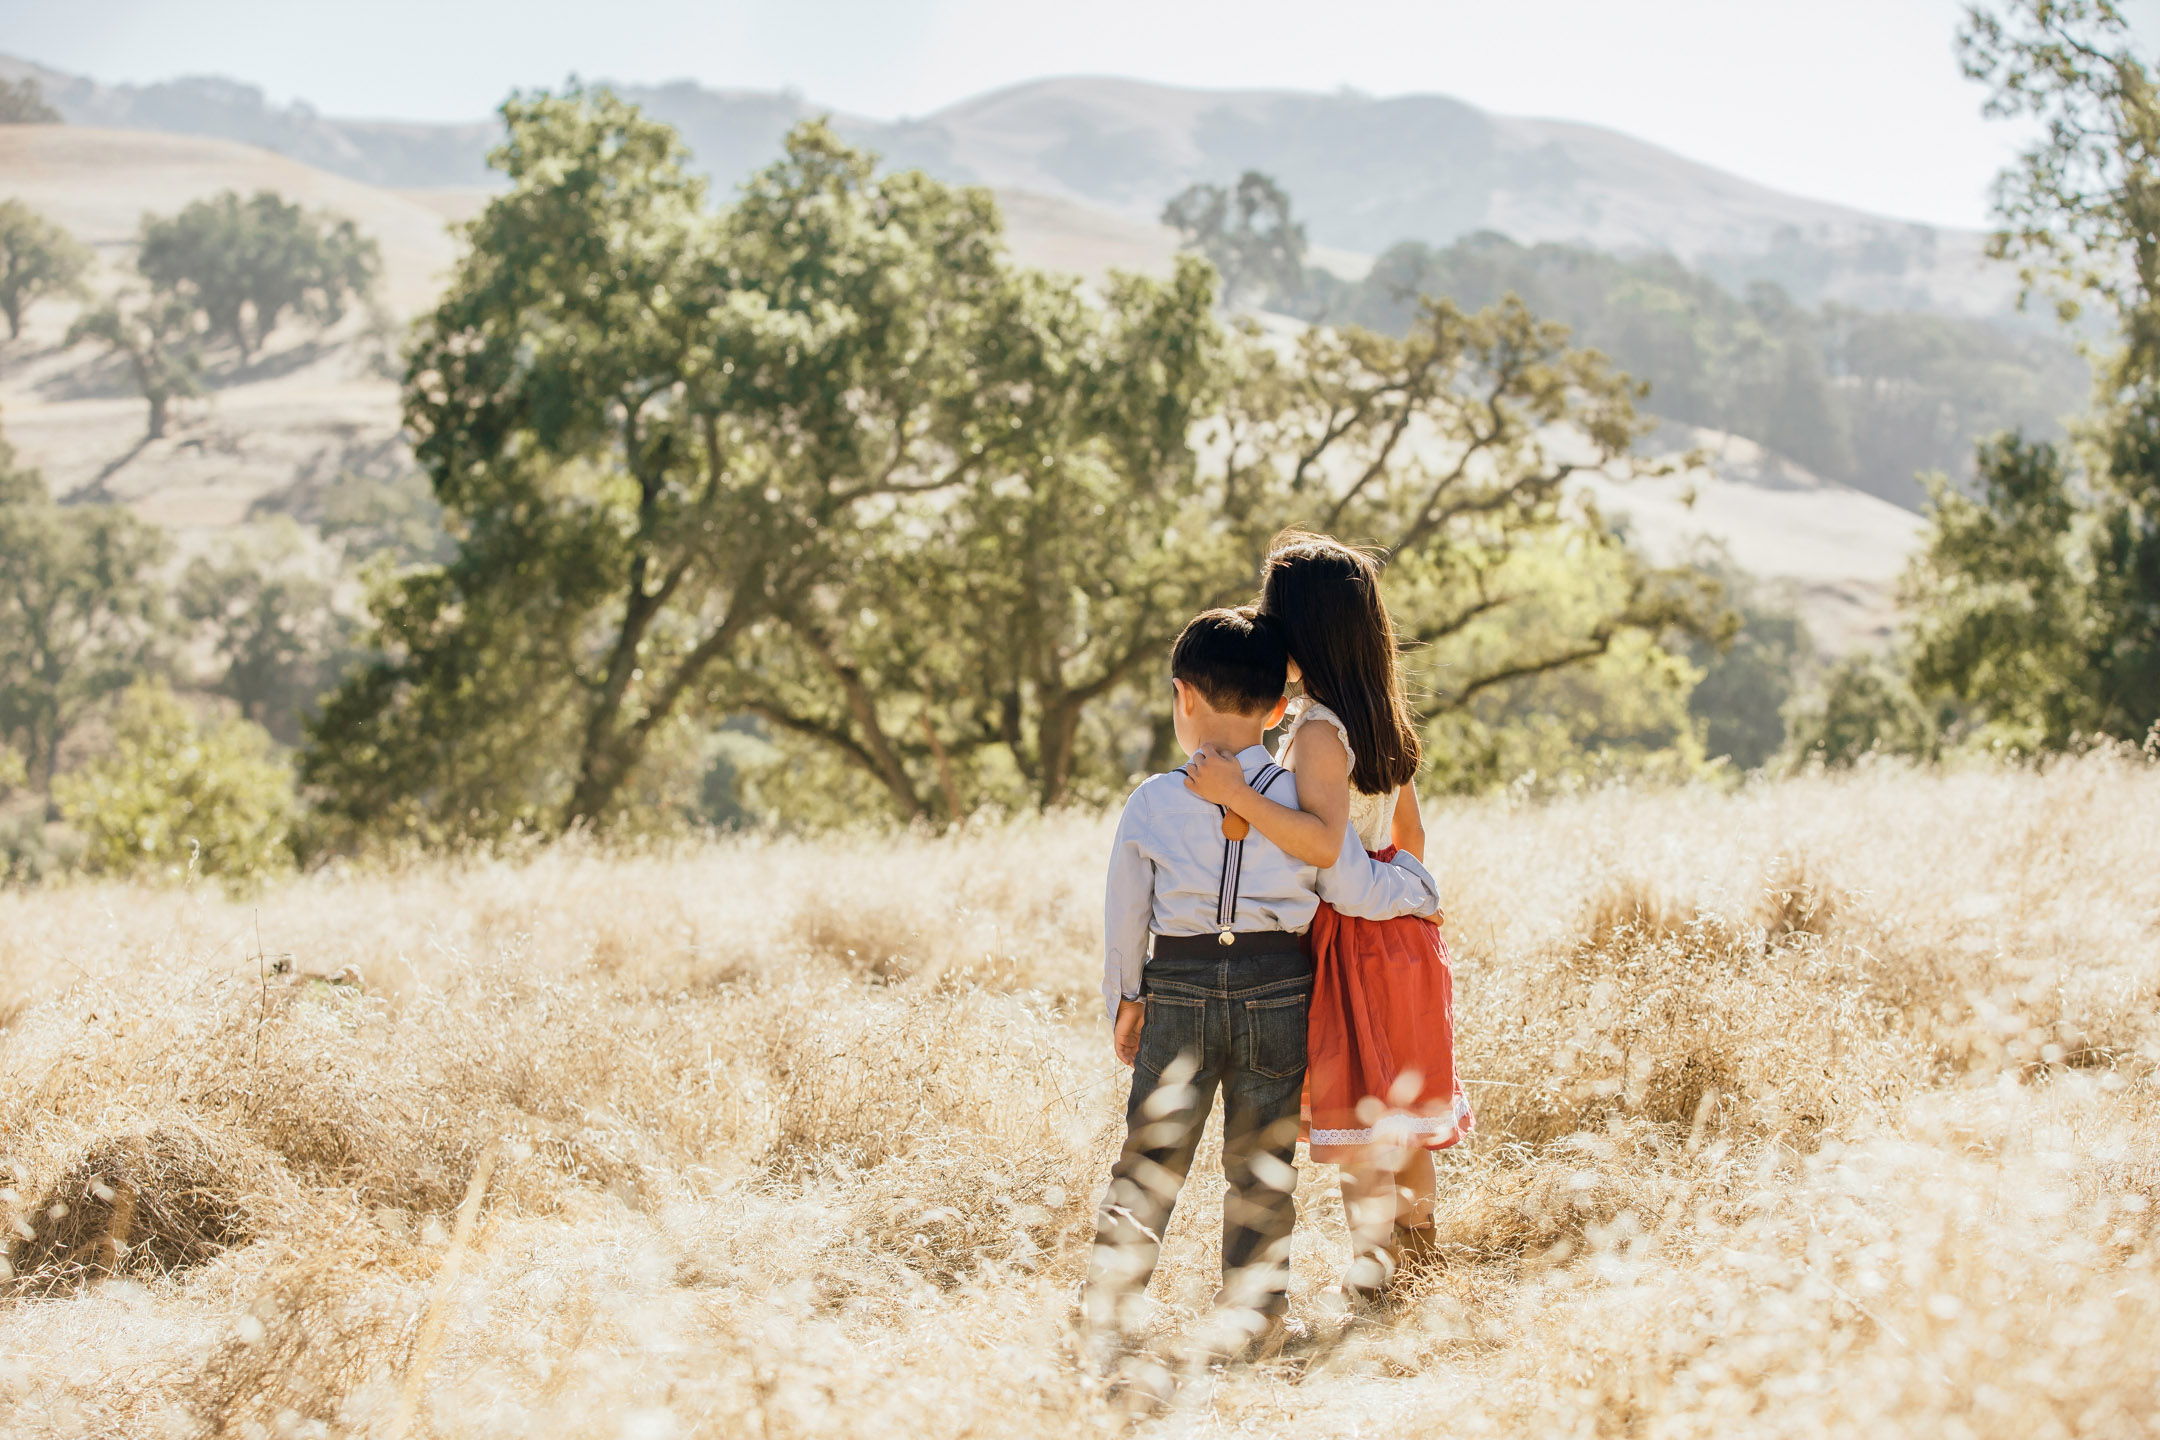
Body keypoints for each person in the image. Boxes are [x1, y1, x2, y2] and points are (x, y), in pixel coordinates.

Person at [1086, 606, 1444, 1358]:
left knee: (1150, 1157)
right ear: (1281, 706)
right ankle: (1252, 1319)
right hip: (1279, 990)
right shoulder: (1299, 802)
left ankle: (1110, 1309)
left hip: (1177, 987)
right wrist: (1418, 888)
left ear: (1183, 696)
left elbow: (1127, 911)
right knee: (1260, 1169)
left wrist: (1128, 996)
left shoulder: (1151, 801)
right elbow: (1352, 885)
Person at [1185, 531, 1471, 1303]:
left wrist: (1238, 798)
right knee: (1401, 1119)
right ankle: (1422, 1264)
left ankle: (1378, 1278)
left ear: (1300, 632)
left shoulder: (1317, 731)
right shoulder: (1378, 718)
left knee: (1360, 1128)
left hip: (1357, 946)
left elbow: (1329, 856)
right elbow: (1407, 838)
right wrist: (1408, 897)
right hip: (1406, 946)